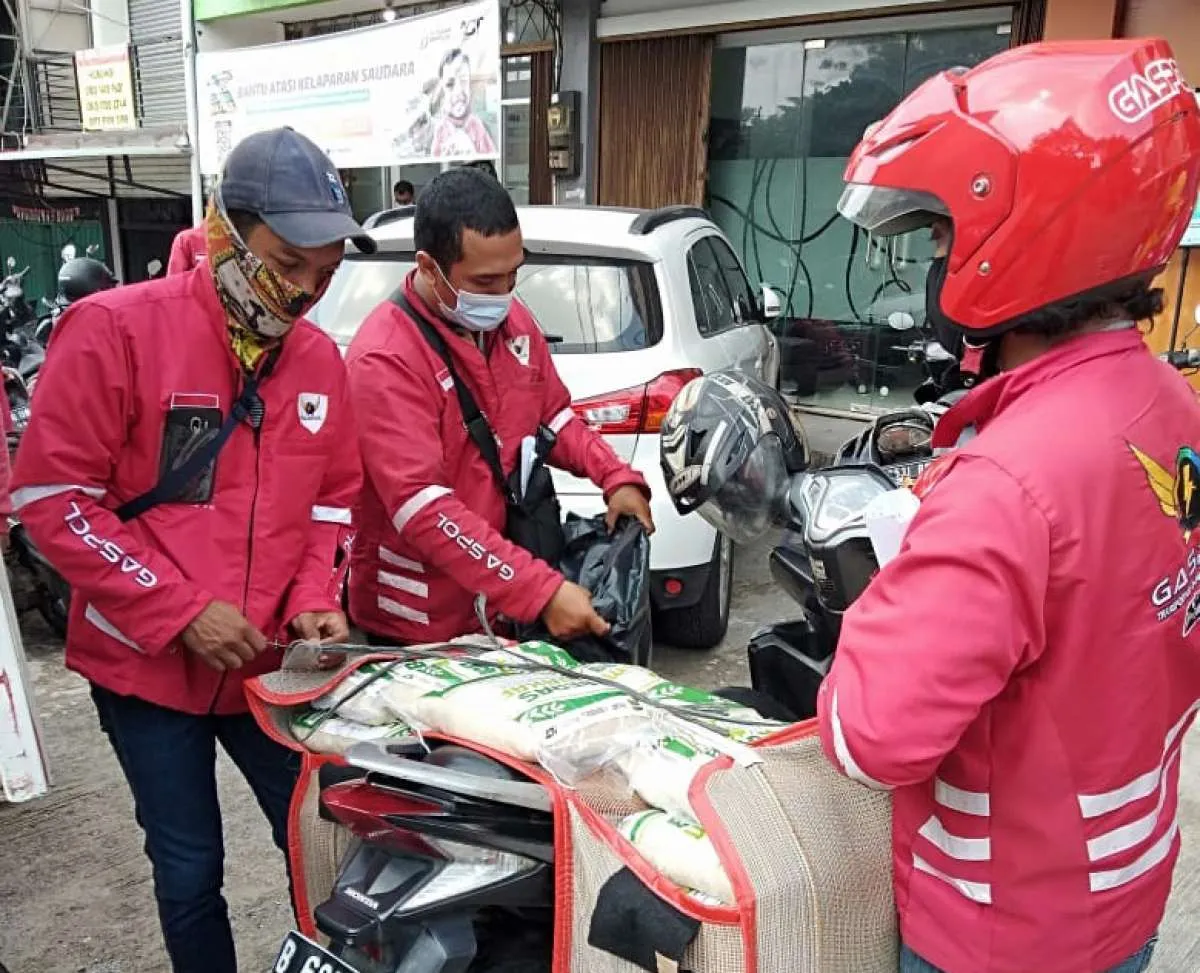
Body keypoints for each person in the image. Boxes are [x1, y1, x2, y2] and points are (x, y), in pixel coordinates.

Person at [816, 39, 1200, 973]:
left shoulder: (1006, 484)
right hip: (1125, 883)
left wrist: (893, 590)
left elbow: (870, 738)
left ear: (1025, 239)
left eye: (943, 235)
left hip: (999, 927)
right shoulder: (1171, 404)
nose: (937, 262)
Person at [10, 127, 368, 973]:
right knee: (189, 867)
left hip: (270, 667)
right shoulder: (113, 329)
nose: (305, 292)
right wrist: (179, 612)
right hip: (144, 671)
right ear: (224, 233)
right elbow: (51, 500)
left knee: (324, 845)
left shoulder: (318, 359)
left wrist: (317, 590)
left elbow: (332, 499)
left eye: (325, 271)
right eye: (288, 262)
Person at [346, 165, 653, 646]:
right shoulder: (385, 357)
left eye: (514, 274)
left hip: (501, 606)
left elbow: (553, 417)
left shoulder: (512, 324)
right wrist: (540, 591)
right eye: (486, 281)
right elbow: (423, 510)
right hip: (419, 623)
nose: (504, 294)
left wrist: (615, 476)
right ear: (429, 267)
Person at [430, 48, 498, 157]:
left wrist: (472, 154)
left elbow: (490, 164)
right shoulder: (439, 130)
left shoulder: (478, 127)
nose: (458, 91)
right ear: (442, 90)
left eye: (463, 81)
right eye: (450, 84)